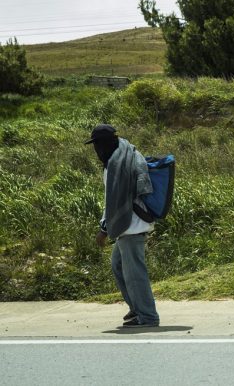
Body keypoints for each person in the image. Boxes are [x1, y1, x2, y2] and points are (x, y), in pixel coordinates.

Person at [87, 124, 160, 328]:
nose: (97, 149)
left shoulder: (116, 164)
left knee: (135, 274)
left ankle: (148, 316)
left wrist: (103, 230)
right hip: (130, 224)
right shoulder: (127, 153)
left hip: (131, 226)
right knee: (118, 265)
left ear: (104, 144)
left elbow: (114, 201)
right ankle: (137, 309)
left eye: (98, 144)